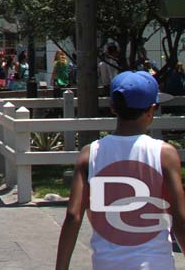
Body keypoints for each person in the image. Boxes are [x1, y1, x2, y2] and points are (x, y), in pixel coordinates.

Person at [56, 71, 185, 270]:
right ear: (151, 109)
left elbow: (73, 216)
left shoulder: (90, 154)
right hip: (155, 264)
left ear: (113, 107)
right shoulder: (164, 154)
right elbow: (179, 218)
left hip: (106, 264)